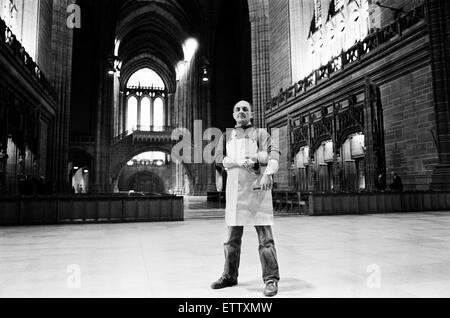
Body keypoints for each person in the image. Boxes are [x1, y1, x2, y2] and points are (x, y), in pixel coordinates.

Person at [212, 100, 281, 297]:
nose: (241, 112)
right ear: (234, 115)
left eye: (245, 109)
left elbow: (274, 155)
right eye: (237, 109)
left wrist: (267, 171)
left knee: (265, 239)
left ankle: (271, 279)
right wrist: (236, 162)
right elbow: (218, 158)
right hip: (236, 191)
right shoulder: (225, 136)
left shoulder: (261, 134)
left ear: (251, 114)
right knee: (231, 239)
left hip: (257, 191)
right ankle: (229, 275)